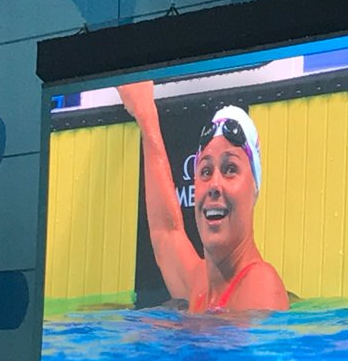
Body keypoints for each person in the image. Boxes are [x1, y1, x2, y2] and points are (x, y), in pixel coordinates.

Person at [117, 80, 288, 313]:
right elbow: (166, 232)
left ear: (255, 188)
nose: (214, 184)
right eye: (206, 171)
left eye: (230, 169)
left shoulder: (260, 286)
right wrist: (145, 115)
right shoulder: (198, 284)